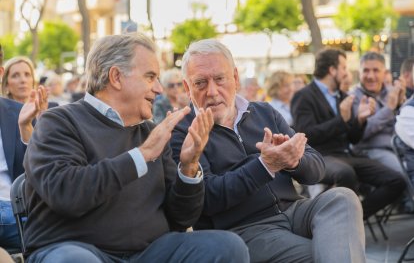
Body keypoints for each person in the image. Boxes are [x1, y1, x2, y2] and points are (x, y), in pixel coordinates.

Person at [23, 34, 249, 263]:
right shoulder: (58, 121)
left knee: (228, 247)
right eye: (150, 77)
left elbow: (181, 219)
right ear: (116, 77)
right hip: (76, 248)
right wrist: (141, 156)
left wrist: (189, 167)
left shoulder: (152, 133)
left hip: (149, 253)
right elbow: (66, 194)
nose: (159, 89)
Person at [171, 39, 365, 263]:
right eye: (200, 83)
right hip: (246, 229)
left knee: (342, 198)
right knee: (330, 253)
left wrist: (293, 161)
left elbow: (317, 170)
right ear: (187, 88)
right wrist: (265, 166)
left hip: (296, 210)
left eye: (219, 79)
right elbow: (207, 199)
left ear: (235, 78)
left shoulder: (263, 111)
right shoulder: (183, 131)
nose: (212, 91)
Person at [291, 48, 406, 220]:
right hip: (319, 156)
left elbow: (353, 138)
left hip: (346, 155)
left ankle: (355, 217)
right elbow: (306, 135)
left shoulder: (342, 96)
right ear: (332, 70)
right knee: (345, 173)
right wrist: (342, 120)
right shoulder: (304, 96)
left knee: (396, 180)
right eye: (343, 68)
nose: (346, 73)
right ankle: (342, 221)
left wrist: (359, 119)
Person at [0, 44, 47, 253]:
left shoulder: (19, 114)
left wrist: (27, 127)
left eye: (27, 75)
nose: (22, 80)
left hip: (12, 207)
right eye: (16, 75)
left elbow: (41, 166)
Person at [351, 52, 405, 173]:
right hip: (370, 151)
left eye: (376, 70)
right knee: (404, 173)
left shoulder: (392, 91)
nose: (370, 76)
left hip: (399, 148)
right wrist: (389, 109)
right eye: (366, 70)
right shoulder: (353, 97)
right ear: (359, 73)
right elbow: (360, 135)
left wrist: (401, 104)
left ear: (384, 73)